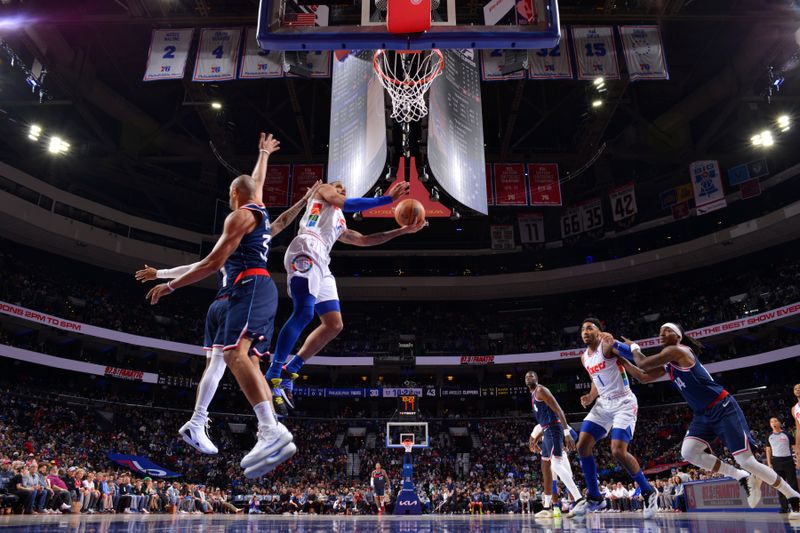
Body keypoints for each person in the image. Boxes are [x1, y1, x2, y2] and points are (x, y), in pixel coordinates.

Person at [135, 133, 320, 454]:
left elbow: (210, 260)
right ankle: (262, 426)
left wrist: (167, 281)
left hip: (228, 294)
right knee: (235, 357)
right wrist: (166, 280)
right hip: (245, 289)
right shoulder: (251, 218)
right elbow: (211, 262)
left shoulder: (245, 216)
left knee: (220, 362)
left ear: (233, 193)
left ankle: (198, 420)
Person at [264, 180, 425, 415]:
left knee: (333, 324)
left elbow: (364, 240)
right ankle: (274, 372)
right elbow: (346, 202)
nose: (343, 187)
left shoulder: (339, 219)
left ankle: (291, 369)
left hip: (323, 260)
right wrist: (387, 200)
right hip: (306, 247)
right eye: (338, 184)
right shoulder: (322, 193)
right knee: (304, 312)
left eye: (344, 186)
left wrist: (401, 231)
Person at [611, 322, 800, 519]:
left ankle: (793, 495)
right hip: (703, 414)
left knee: (747, 461)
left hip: (723, 407)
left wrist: (631, 347)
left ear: (678, 337)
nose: (662, 333)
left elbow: (643, 362)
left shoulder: (678, 351)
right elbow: (643, 377)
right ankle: (741, 477)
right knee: (689, 451)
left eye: (667, 330)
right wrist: (621, 361)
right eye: (660, 331)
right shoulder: (669, 361)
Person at [566, 318, 659, 519]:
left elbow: (634, 357)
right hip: (603, 404)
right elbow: (595, 379)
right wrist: (591, 396)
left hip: (623, 402)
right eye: (582, 329)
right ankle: (594, 498)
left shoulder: (607, 344)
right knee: (582, 446)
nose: (585, 331)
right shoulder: (584, 358)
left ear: (599, 332)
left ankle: (649, 491)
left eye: (590, 328)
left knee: (617, 451)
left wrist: (623, 344)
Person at [524, 371, 577, 518]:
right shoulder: (539, 426)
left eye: (532, 375)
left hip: (559, 447)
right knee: (550, 478)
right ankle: (554, 508)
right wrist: (534, 445)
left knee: (567, 477)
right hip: (548, 446)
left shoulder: (541, 393)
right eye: (527, 376)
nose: (529, 378)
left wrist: (566, 436)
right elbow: (531, 442)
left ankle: (577, 503)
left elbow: (574, 435)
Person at [766, 417, 799, 514]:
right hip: (776, 461)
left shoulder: (787, 435)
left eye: (775, 421)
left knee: (793, 484)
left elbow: (795, 449)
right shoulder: (769, 436)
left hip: (788, 460)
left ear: (779, 423)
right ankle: (784, 507)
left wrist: (798, 460)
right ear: (770, 424)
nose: (773, 423)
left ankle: (795, 506)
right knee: (780, 485)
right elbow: (768, 450)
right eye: (771, 421)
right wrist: (769, 463)